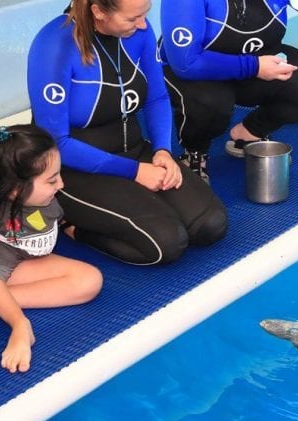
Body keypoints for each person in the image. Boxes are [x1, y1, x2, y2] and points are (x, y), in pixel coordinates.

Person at [28, 0, 228, 265]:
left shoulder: (139, 33)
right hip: (75, 168)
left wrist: (163, 151)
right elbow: (56, 142)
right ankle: (75, 228)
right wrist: (135, 172)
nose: (144, 25)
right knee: (167, 243)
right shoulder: (55, 45)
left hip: (134, 150)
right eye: (132, 19)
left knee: (210, 225)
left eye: (145, 15)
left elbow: (156, 98)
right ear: (98, 12)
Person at [159, 0, 298, 178]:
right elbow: (186, 63)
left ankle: (248, 133)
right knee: (211, 105)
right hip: (197, 71)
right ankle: (194, 154)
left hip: (256, 66)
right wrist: (255, 67)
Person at [0, 125, 103, 374]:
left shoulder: (42, 198)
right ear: (14, 190)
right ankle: (7, 311)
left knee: (91, 280)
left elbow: (56, 219)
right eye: (52, 180)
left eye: (59, 174)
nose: (61, 184)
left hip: (20, 260)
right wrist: (18, 324)